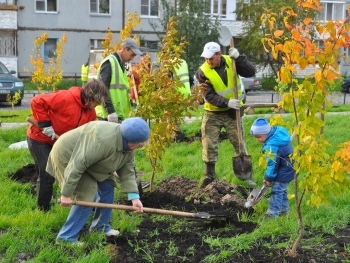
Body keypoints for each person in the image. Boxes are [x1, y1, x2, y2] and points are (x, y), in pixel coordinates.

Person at [46, 117, 150, 244]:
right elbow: (77, 165)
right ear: (132, 142)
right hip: (68, 155)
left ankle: (100, 228)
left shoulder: (128, 144)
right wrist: (66, 194)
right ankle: (66, 238)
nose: (139, 147)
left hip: (92, 159)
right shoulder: (103, 141)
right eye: (139, 145)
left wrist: (134, 197)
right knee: (86, 195)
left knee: (108, 186)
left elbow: (127, 170)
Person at [26, 80, 109, 211]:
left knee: (73, 171)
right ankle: (43, 210)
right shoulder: (65, 98)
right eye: (96, 102)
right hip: (40, 138)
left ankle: (84, 203)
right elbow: (37, 101)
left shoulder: (90, 114)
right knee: (48, 173)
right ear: (90, 96)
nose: (97, 106)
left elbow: (90, 133)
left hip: (61, 143)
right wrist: (46, 125)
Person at [195, 41, 256, 187]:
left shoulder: (232, 61)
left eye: (211, 58)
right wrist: (226, 102)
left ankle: (247, 175)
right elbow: (208, 95)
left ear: (219, 54)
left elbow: (251, 72)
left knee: (239, 143)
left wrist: (240, 58)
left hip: (233, 113)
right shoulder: (202, 72)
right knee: (209, 144)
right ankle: (209, 175)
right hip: (213, 113)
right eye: (206, 58)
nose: (208, 61)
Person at [250, 118, 295, 218]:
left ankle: (272, 213)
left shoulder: (271, 146)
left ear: (266, 133)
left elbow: (272, 165)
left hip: (285, 170)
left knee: (276, 190)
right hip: (288, 166)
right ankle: (284, 210)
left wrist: (268, 178)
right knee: (281, 190)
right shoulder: (278, 132)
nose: (258, 140)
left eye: (259, 137)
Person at [95, 38, 142, 123]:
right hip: (108, 117)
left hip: (118, 116)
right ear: (124, 49)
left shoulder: (121, 64)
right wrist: (110, 111)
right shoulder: (109, 62)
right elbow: (102, 88)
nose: (132, 59)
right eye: (132, 55)